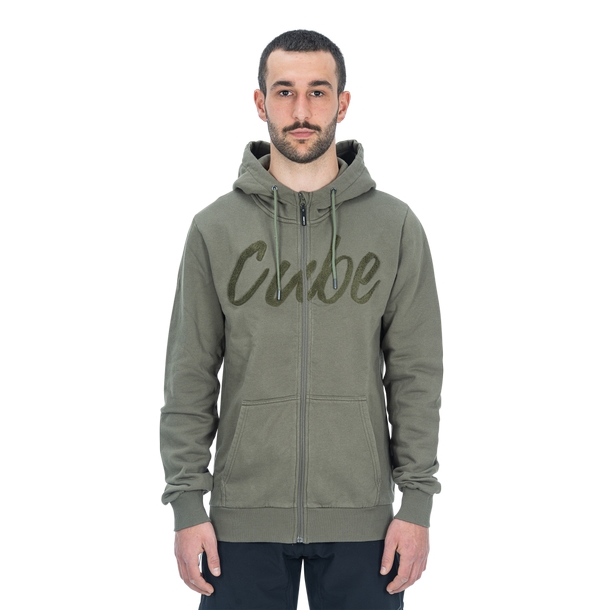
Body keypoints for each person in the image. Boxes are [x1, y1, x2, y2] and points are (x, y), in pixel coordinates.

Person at [160, 29, 443, 610]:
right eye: (284, 91)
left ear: (343, 102)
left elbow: (415, 374)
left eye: (318, 92)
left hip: (364, 520)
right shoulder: (215, 228)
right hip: (240, 523)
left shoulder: (394, 226)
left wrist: (416, 504)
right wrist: (187, 504)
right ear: (260, 102)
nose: (301, 111)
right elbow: (189, 374)